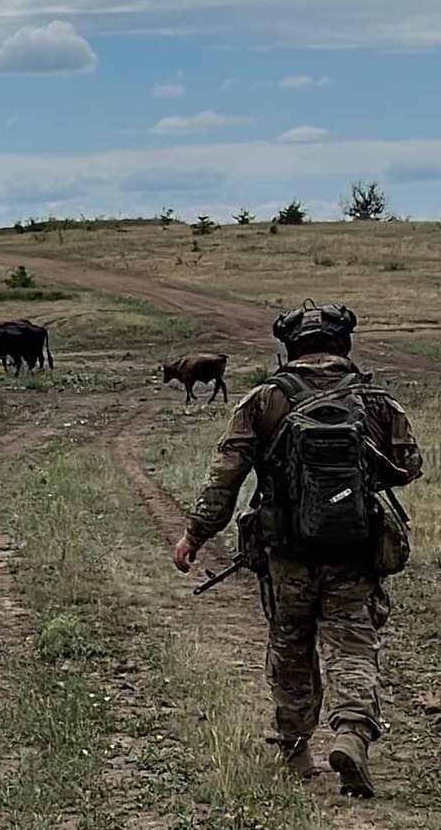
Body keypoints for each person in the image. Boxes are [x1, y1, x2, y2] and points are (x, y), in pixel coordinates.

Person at [170, 298, 422, 797]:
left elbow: (225, 476)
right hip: (354, 549)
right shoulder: (376, 401)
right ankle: (351, 734)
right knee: (352, 645)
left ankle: (295, 747)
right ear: (343, 344)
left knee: (290, 647)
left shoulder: (263, 399)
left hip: (286, 552)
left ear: (290, 346)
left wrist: (195, 534)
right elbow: (409, 467)